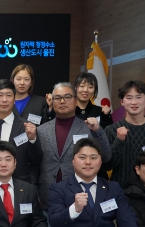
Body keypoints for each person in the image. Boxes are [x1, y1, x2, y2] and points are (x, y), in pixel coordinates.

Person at [36, 82, 111, 212]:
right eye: (58, 98)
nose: (62, 101)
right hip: (46, 197)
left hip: (80, 197)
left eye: (67, 97)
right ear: (52, 101)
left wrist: (98, 131)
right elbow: (34, 164)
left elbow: (106, 157)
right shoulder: (41, 130)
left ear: (76, 101)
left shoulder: (88, 128)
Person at [0, 79, 41, 186]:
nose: (4, 100)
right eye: (0, 95)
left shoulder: (26, 127)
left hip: (18, 186)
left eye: (9, 95)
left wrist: (33, 140)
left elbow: (36, 160)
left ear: (14, 100)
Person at [105, 80, 145, 188]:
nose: (134, 102)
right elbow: (107, 165)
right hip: (120, 191)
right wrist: (119, 141)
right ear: (122, 102)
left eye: (139, 97)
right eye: (129, 98)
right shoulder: (111, 130)